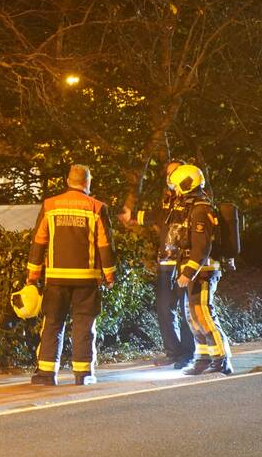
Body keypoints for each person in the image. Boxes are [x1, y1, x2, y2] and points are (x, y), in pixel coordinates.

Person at [26, 164, 117, 386]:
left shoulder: (50, 205)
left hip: (56, 279)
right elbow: (105, 245)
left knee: (53, 323)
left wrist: (32, 276)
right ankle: (83, 374)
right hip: (86, 279)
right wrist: (109, 275)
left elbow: (39, 241)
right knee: (84, 325)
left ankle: (46, 375)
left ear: (68, 180)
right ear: (87, 183)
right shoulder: (96, 207)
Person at [118, 159, 195, 368]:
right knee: (163, 307)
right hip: (165, 261)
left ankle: (188, 354)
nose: (171, 177)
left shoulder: (192, 199)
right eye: (168, 174)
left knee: (186, 308)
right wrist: (132, 216)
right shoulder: (167, 199)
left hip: (183, 263)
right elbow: (157, 217)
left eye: (175, 172)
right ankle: (173, 352)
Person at [165, 164, 233, 375]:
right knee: (192, 316)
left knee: (203, 314)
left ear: (186, 184)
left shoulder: (201, 209)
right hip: (193, 269)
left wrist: (188, 272)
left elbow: (202, 246)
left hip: (203, 270)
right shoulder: (191, 207)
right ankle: (203, 358)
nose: (174, 190)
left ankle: (221, 358)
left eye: (177, 186)